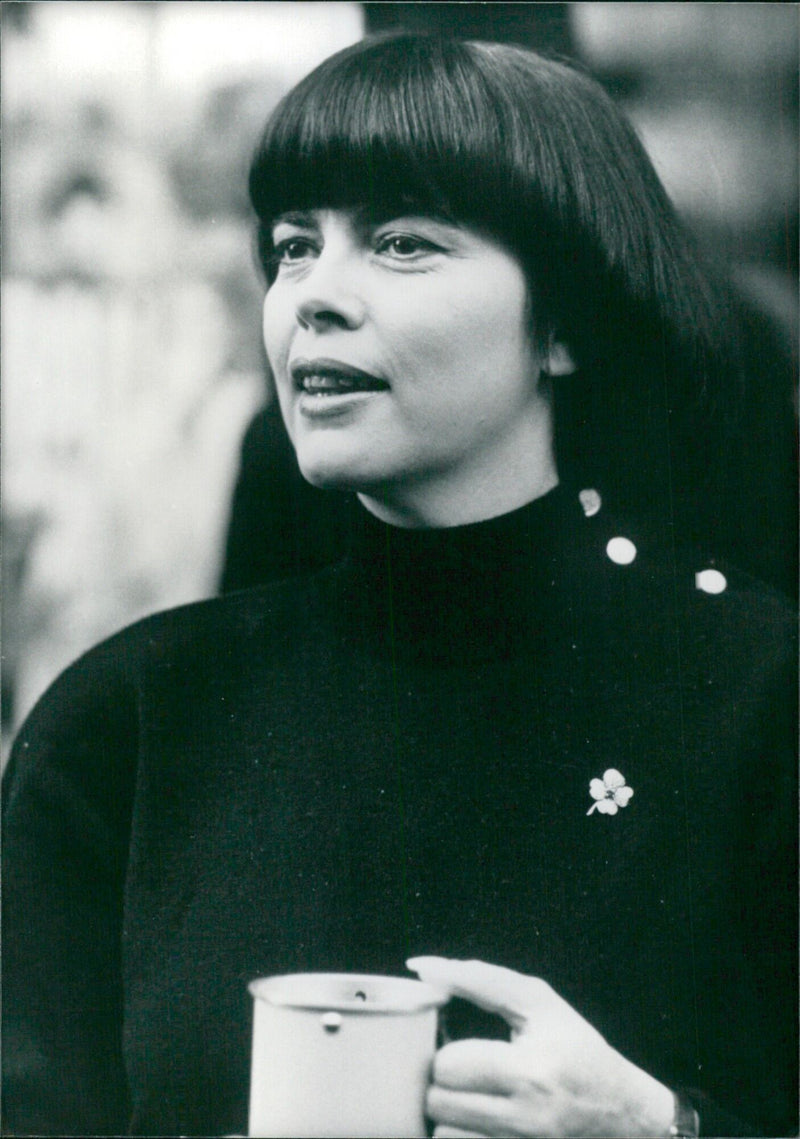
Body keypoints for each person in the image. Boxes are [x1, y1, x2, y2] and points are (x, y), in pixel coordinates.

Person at [3, 33, 796, 1139]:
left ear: (564, 320)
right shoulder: (126, 723)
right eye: (290, 247)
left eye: (401, 243)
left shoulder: (758, 699)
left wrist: (657, 1126)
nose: (312, 297)